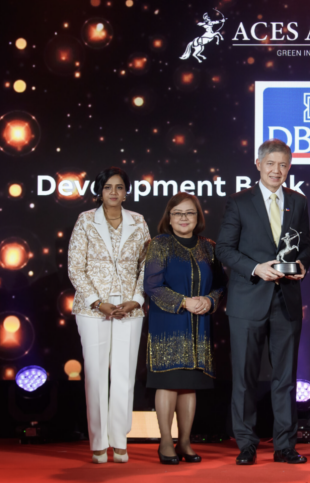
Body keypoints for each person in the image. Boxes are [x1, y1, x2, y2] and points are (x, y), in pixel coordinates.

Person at [215, 139, 310, 465]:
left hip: (286, 301)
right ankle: (246, 443)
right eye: (270, 163)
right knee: (244, 377)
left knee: (285, 378)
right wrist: (256, 268)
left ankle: (285, 445)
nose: (277, 170)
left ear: (289, 168)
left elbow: (305, 249)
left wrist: (302, 265)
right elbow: (224, 250)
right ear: (258, 164)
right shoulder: (239, 201)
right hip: (247, 301)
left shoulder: (298, 202)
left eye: (283, 165)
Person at [67, 167, 150, 464]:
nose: (114, 193)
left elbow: (146, 267)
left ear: (126, 192)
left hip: (130, 308)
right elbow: (76, 267)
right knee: (96, 375)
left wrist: (136, 300)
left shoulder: (138, 221)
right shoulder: (86, 220)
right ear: (99, 191)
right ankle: (99, 443)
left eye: (119, 187)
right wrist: (96, 301)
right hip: (93, 310)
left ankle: (120, 440)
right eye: (108, 188)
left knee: (125, 376)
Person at [143, 193, 225, 464]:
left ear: (198, 217)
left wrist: (209, 300)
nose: (183, 218)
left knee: (189, 385)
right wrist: (183, 302)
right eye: (177, 213)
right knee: (168, 383)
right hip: (168, 322)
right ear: (169, 217)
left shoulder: (209, 246)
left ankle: (185, 442)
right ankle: (166, 442)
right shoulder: (159, 244)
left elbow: (221, 284)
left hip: (199, 324)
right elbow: (152, 286)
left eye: (189, 213)